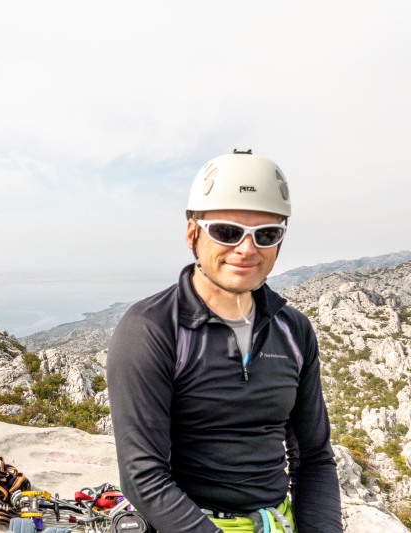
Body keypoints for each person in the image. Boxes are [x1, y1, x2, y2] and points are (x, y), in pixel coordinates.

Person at [106, 150, 342, 532]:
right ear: (192, 233)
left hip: (274, 521)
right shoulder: (151, 330)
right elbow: (143, 476)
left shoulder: (294, 330)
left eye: (266, 235)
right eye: (227, 231)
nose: (247, 249)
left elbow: (314, 457)